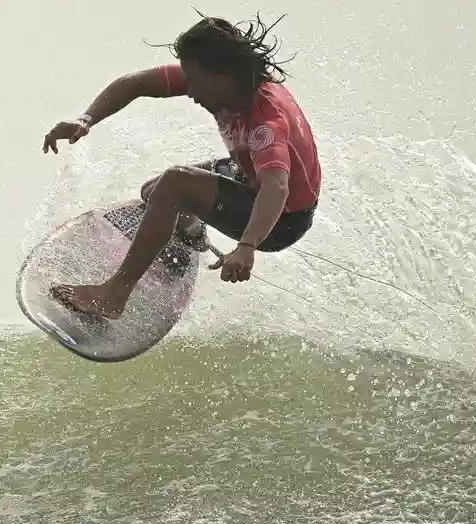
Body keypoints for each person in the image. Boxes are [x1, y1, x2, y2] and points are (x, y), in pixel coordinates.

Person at [42, 13, 321, 319]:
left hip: (281, 219)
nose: (190, 91)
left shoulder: (266, 122)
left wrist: (246, 246)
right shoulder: (231, 84)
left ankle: (113, 296)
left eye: (194, 81)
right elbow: (135, 83)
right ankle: (190, 231)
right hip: (249, 175)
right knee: (154, 191)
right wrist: (85, 120)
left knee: (174, 185)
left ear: (223, 74)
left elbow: (277, 186)